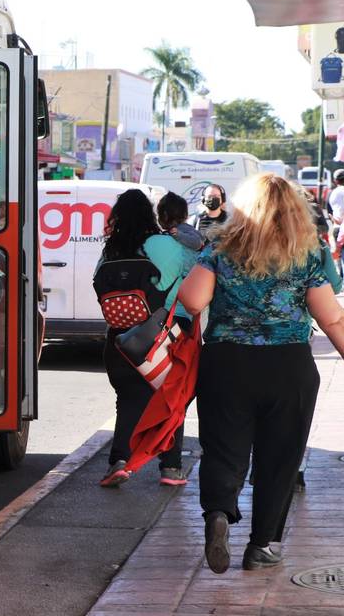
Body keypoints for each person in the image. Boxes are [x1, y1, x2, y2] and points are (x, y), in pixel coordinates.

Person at [177, 173, 344, 574]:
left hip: (227, 363)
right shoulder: (306, 254)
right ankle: (263, 545)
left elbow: (194, 300)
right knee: (280, 459)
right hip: (289, 367)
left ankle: (218, 511)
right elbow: (333, 318)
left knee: (223, 449)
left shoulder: (219, 247)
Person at [96, 189, 195, 488]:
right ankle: (171, 468)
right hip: (165, 336)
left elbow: (99, 287)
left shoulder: (110, 249)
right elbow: (198, 281)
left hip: (121, 340)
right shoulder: (168, 245)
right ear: (151, 215)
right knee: (171, 400)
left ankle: (119, 461)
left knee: (127, 400)